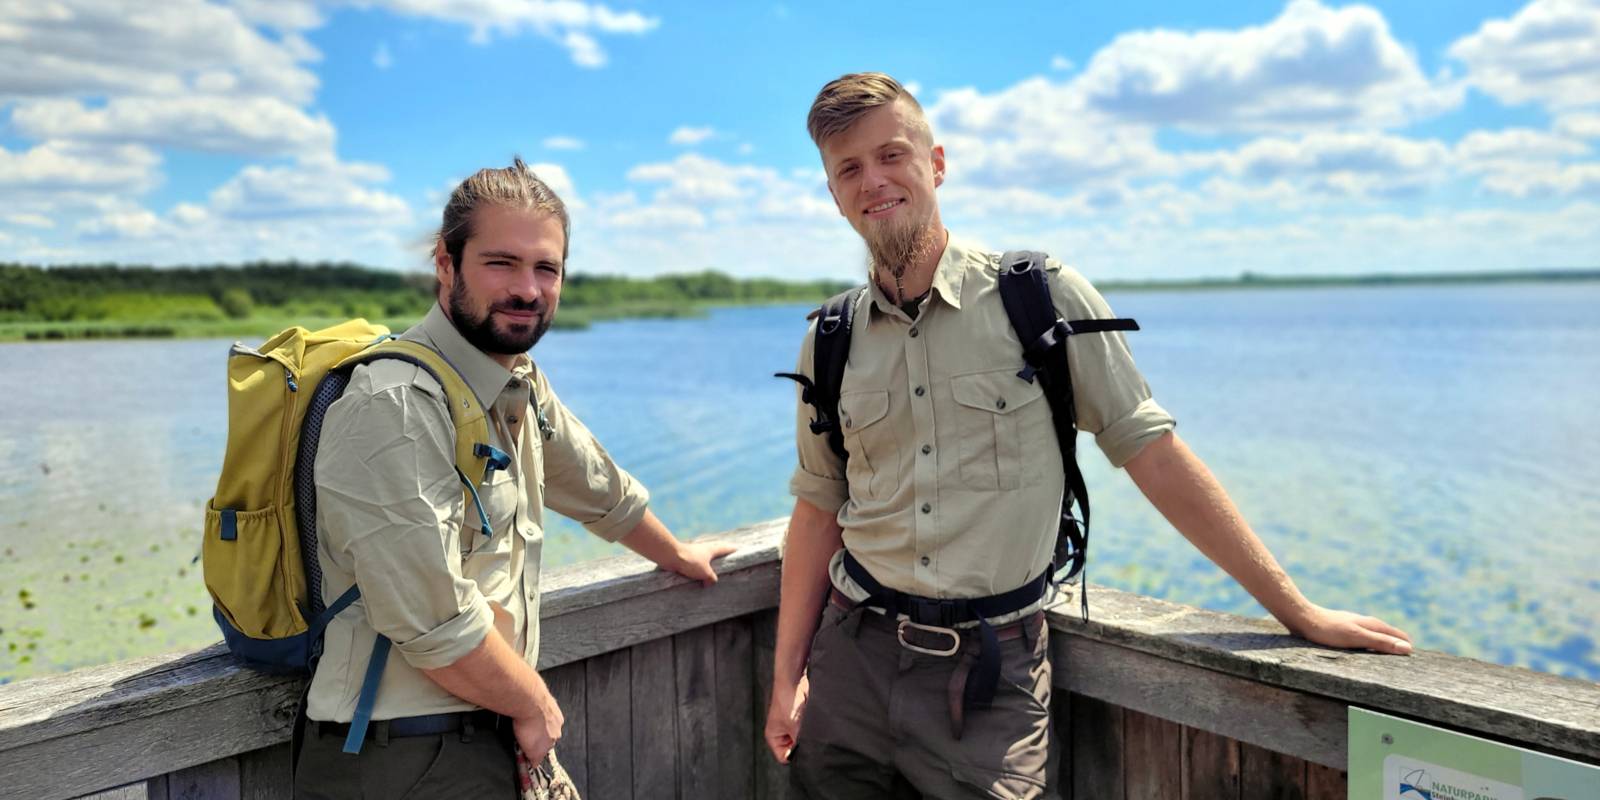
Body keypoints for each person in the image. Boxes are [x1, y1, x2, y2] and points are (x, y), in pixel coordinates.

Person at [762, 72, 1414, 799]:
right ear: (833, 193)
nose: (873, 180)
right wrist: (787, 678)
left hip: (990, 679)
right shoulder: (831, 337)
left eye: (892, 155)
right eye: (849, 168)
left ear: (936, 163)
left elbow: (1153, 455)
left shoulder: (1038, 297)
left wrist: (1297, 611)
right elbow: (818, 507)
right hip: (850, 666)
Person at [294, 158, 736, 799]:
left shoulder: (515, 381)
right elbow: (433, 620)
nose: (528, 289)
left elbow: (598, 487)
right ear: (446, 263)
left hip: (478, 730)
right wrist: (535, 704)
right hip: (397, 754)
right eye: (501, 263)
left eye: (546, 268)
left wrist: (678, 555)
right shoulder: (395, 402)